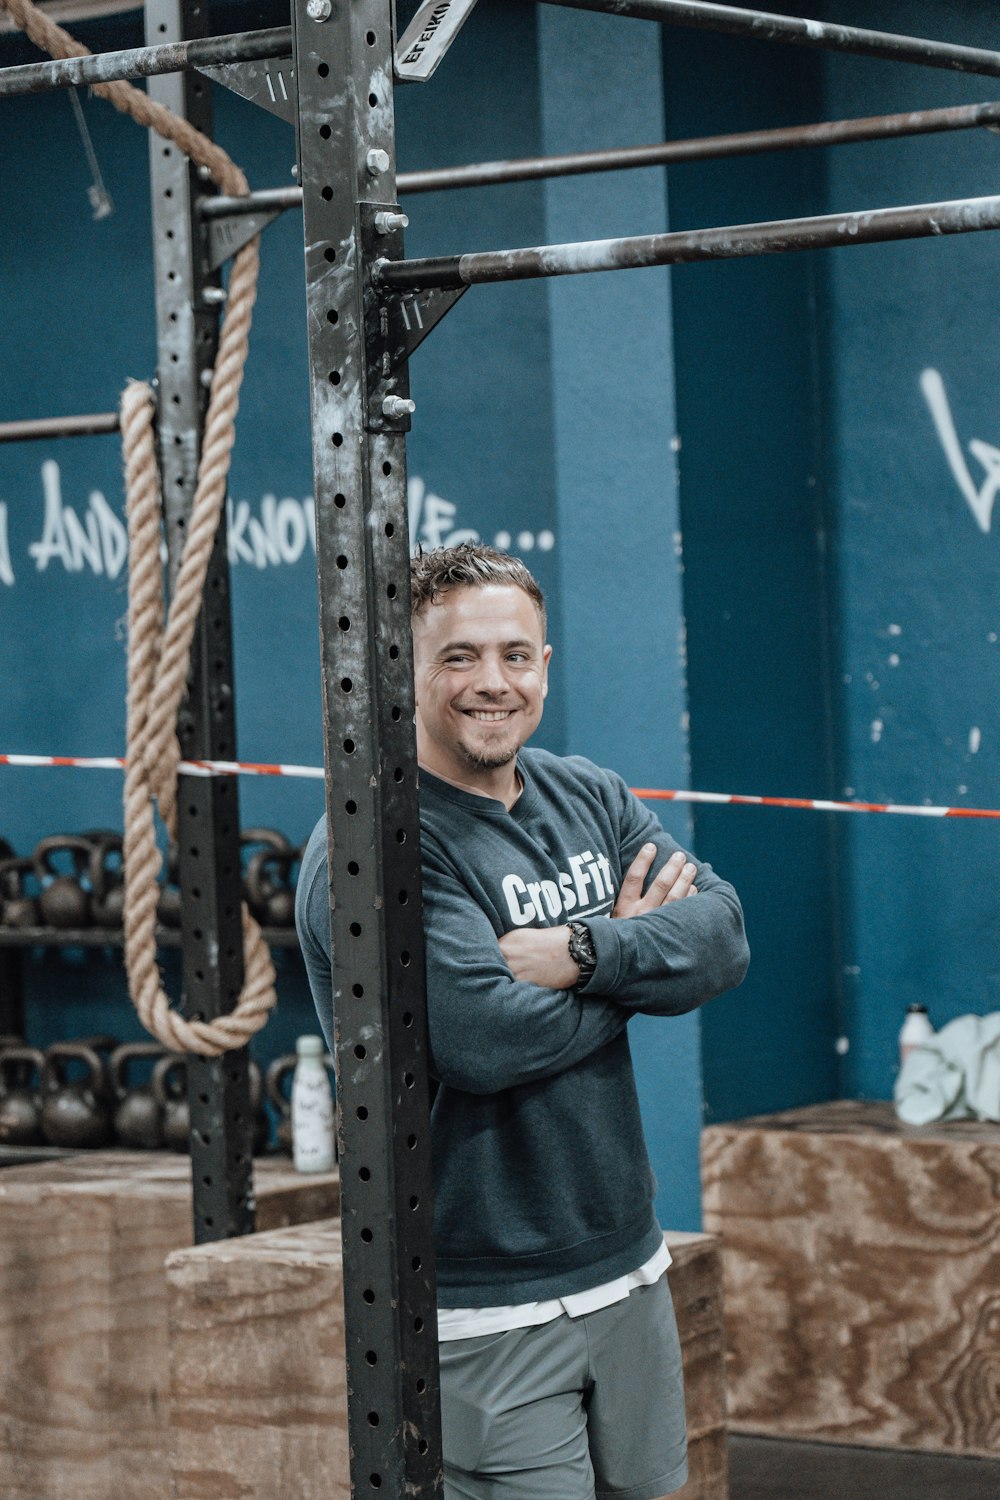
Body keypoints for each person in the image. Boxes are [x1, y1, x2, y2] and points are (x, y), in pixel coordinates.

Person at [296, 543, 749, 1500]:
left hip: (629, 1264)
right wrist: (635, 958)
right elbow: (485, 1039)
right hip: (484, 1307)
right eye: (458, 657)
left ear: (546, 665)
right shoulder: (377, 840)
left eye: (515, 654)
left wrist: (587, 955)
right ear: (404, 673)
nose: (491, 682)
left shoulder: (590, 793)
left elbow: (723, 938)